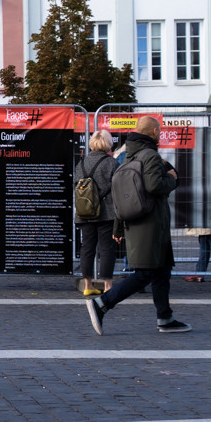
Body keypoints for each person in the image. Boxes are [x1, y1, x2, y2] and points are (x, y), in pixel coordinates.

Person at [84, 116, 191, 334]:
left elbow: (125, 194)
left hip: (141, 223)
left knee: (161, 271)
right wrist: (172, 178)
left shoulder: (130, 155)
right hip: (151, 226)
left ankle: (165, 318)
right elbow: (154, 186)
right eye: (158, 131)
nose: (160, 135)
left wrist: (118, 226)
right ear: (153, 132)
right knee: (144, 274)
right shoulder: (149, 155)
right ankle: (102, 303)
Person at [74, 130, 117, 296]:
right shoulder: (111, 163)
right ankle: (107, 286)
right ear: (107, 144)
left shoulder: (81, 163)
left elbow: (77, 185)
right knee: (107, 248)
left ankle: (88, 285)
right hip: (106, 212)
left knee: (87, 248)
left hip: (85, 212)